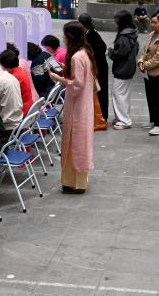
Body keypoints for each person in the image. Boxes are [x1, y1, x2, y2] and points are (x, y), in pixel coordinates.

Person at [49, 22, 96, 194]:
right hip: (84, 105)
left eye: (64, 35)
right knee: (79, 142)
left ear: (70, 37)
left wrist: (58, 78)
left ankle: (74, 183)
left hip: (77, 106)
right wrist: (64, 69)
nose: (63, 38)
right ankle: (76, 181)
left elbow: (77, 84)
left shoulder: (76, 57)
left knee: (74, 143)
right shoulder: (84, 53)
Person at [137, 12, 159, 136]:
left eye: (155, 22)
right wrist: (141, 61)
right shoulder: (151, 35)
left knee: (155, 98)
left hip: (157, 72)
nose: (152, 24)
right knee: (149, 97)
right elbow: (144, 51)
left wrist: (145, 65)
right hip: (147, 72)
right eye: (151, 22)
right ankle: (152, 120)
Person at [107, 10, 139, 130]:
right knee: (122, 94)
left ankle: (124, 120)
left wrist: (111, 53)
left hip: (123, 68)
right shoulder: (131, 33)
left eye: (116, 22)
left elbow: (121, 54)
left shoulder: (124, 36)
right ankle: (121, 117)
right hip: (128, 67)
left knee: (119, 94)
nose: (115, 24)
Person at [79, 13, 109, 121]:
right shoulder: (90, 32)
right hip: (97, 66)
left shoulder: (91, 35)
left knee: (100, 91)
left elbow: (101, 49)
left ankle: (101, 116)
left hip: (99, 68)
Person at [0, 49, 34, 116]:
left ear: (5, 65)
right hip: (28, 107)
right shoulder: (19, 70)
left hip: (22, 111)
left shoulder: (13, 78)